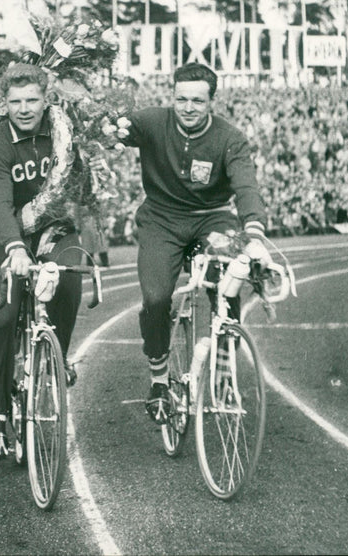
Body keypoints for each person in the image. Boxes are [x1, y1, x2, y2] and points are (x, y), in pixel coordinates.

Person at [113, 63, 271, 424]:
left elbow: (247, 187)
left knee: (228, 282)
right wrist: (106, 127)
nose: (188, 107)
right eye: (181, 99)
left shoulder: (230, 138)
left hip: (212, 218)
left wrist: (255, 233)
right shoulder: (152, 121)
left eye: (197, 101)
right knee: (155, 297)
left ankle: (225, 365)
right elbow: (111, 129)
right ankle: (158, 378)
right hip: (161, 219)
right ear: (172, 97)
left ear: (212, 101)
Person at [0, 63, 90, 459]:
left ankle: (56, 355)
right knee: (4, 315)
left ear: (46, 100)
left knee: (70, 274)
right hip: (4, 234)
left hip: (53, 226)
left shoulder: (62, 131)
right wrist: (15, 248)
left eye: (31, 100)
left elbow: (78, 185)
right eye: (15, 102)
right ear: (4, 103)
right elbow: (0, 204)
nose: (24, 109)